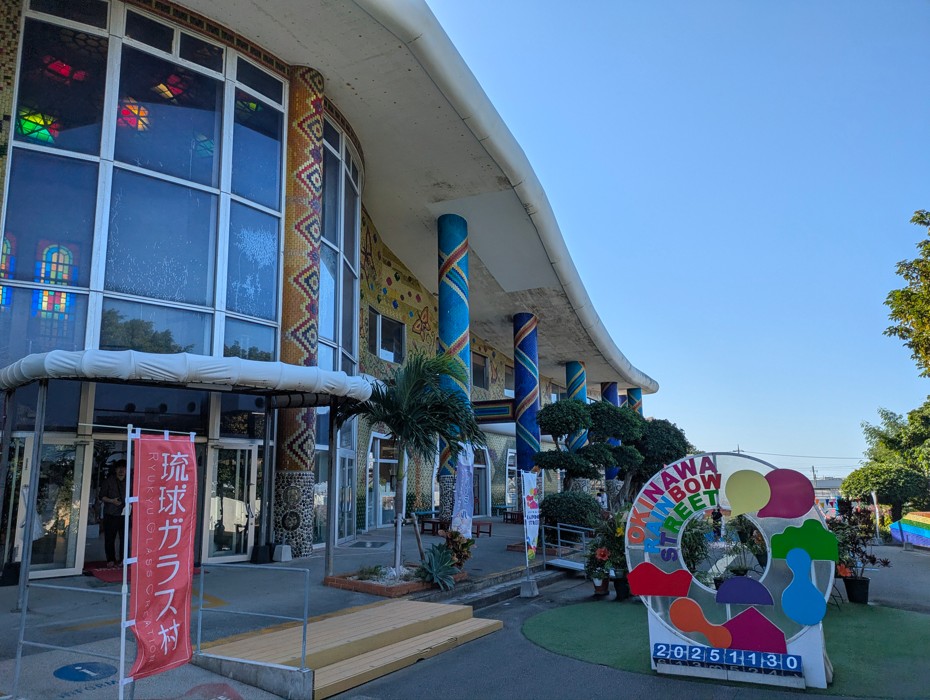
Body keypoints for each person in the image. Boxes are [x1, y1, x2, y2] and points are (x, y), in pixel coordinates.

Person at [100, 460, 128, 568]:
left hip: (125, 514)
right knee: (109, 538)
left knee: (125, 538)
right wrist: (112, 501)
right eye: (119, 468)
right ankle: (110, 559)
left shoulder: (130, 481)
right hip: (111, 514)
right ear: (115, 469)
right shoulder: (109, 481)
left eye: (124, 468)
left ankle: (123, 559)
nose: (121, 470)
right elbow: (101, 496)